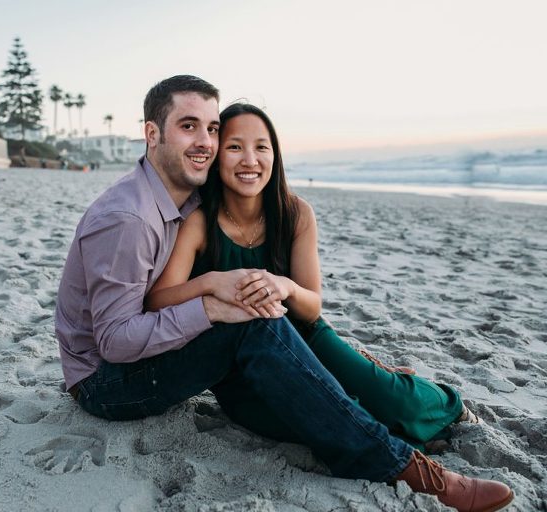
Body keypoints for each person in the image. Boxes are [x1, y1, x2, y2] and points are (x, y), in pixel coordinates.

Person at [55, 75, 513, 511]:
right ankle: (398, 465)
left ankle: (396, 416)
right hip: (104, 382)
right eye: (188, 126)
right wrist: (213, 305)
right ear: (152, 134)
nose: (205, 143)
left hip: (160, 353)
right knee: (249, 323)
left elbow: (297, 299)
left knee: (262, 324)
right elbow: (114, 342)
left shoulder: (188, 198)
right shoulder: (130, 219)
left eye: (212, 129)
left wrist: (348, 358)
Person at [145, 102, 481, 450]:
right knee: (318, 423)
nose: (250, 160)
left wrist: (286, 286)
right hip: (241, 365)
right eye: (234, 147)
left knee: (397, 403)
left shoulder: (296, 213)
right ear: (217, 157)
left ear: (275, 155)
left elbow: (311, 308)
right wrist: (211, 282)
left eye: (261, 147)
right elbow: (158, 299)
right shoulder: (199, 221)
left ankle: (447, 401)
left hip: (308, 338)